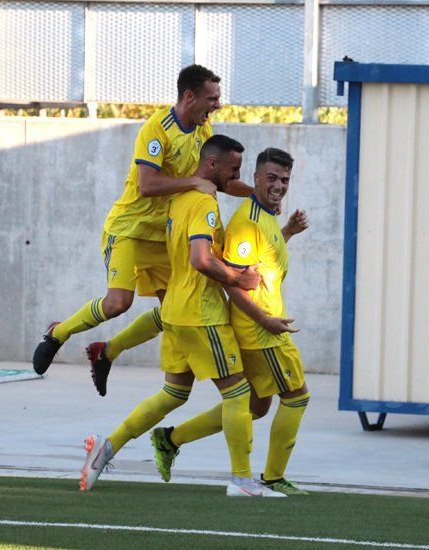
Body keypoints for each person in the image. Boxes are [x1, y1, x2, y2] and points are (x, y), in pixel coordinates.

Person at [80, 135, 283, 498]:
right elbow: (201, 259)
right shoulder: (205, 203)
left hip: (174, 310)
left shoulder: (179, 199)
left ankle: (107, 448)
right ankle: (242, 481)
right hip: (201, 315)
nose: (236, 177)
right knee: (239, 394)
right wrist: (237, 278)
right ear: (212, 166)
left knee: (173, 394)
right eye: (233, 169)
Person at [32, 65, 251, 395]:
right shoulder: (156, 130)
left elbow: (220, 181)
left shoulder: (204, 132)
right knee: (119, 302)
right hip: (130, 230)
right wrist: (193, 181)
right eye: (212, 98)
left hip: (164, 237)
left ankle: (106, 352)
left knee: (173, 310)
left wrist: (259, 193)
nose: (217, 105)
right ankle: (58, 334)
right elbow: (147, 185)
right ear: (189, 96)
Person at [148, 147, 312, 496]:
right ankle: (270, 478)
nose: (279, 186)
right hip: (261, 331)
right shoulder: (246, 222)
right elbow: (234, 282)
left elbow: (261, 259)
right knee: (296, 397)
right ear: (254, 178)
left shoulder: (267, 216)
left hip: (264, 326)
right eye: (271, 178)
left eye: (284, 180)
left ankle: (171, 438)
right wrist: (266, 320)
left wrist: (288, 232)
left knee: (256, 405)